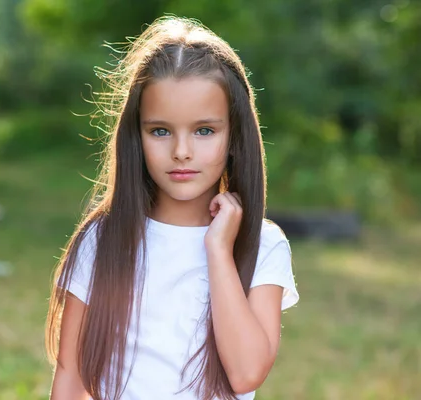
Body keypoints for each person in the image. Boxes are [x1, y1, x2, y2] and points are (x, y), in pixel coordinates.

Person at [45, 15, 300, 400]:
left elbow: (247, 373)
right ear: (137, 136)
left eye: (204, 131)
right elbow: (70, 373)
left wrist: (218, 250)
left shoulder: (263, 244)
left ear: (234, 136)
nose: (181, 152)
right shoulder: (102, 238)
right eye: (160, 131)